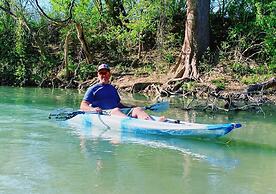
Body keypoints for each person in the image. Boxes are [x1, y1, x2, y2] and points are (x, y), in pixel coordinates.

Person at [80, 63, 165, 121]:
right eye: (101, 73)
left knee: (137, 109)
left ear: (109, 75)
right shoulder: (92, 89)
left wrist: (132, 106)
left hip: (117, 112)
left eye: (106, 73)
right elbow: (83, 106)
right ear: (98, 75)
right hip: (104, 114)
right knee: (115, 110)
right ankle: (133, 123)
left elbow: (119, 105)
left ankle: (152, 122)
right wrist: (92, 109)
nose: (104, 75)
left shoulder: (112, 88)